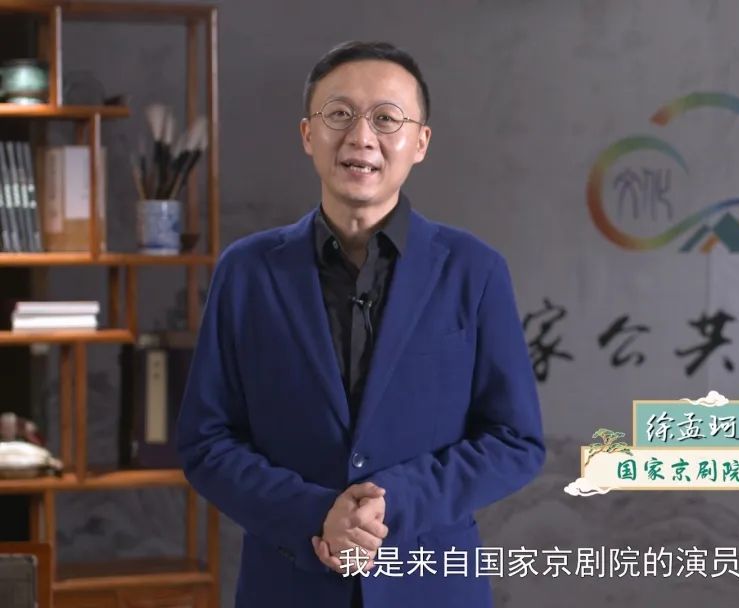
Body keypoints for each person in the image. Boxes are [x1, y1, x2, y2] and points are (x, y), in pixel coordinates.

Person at [176, 40, 545, 608]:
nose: (361, 137)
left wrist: (394, 503)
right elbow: (206, 441)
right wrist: (314, 513)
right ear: (308, 134)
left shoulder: (475, 271)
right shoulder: (247, 272)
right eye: (339, 114)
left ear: (420, 142)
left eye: (386, 118)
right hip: (288, 586)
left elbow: (515, 440)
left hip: (432, 586)